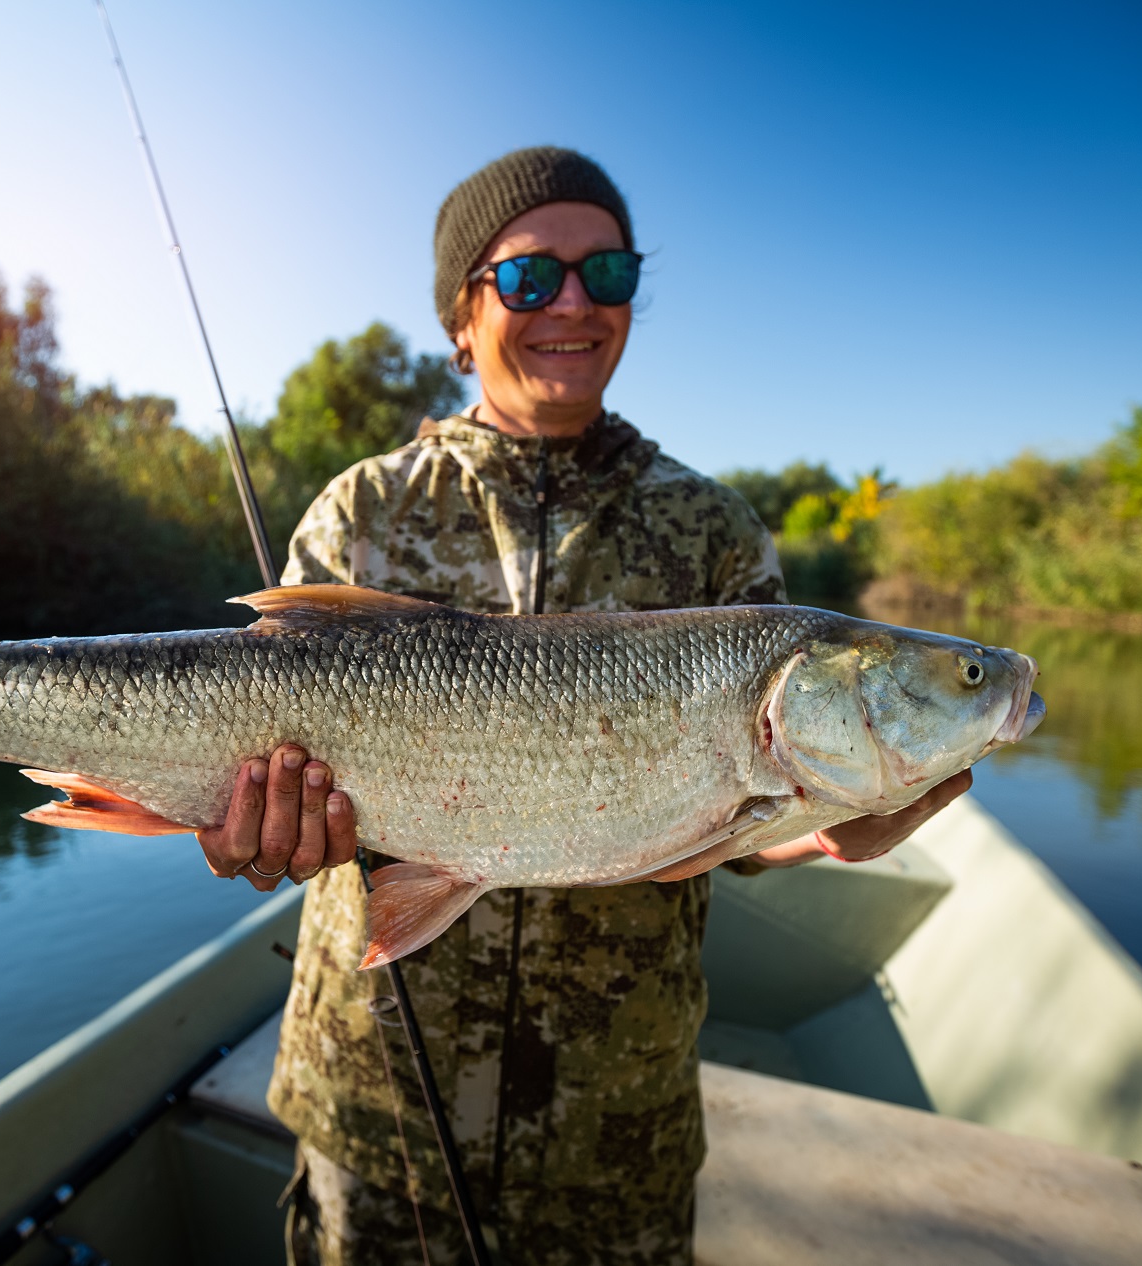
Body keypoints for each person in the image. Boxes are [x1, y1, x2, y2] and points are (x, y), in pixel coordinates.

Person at [193, 147, 971, 1265]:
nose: (572, 302)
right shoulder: (361, 508)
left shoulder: (713, 532)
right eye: (528, 278)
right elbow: (245, 757)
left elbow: (738, 839)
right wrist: (256, 835)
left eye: (605, 275)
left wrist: (838, 830)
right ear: (462, 315)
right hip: (379, 1110)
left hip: (619, 1128)